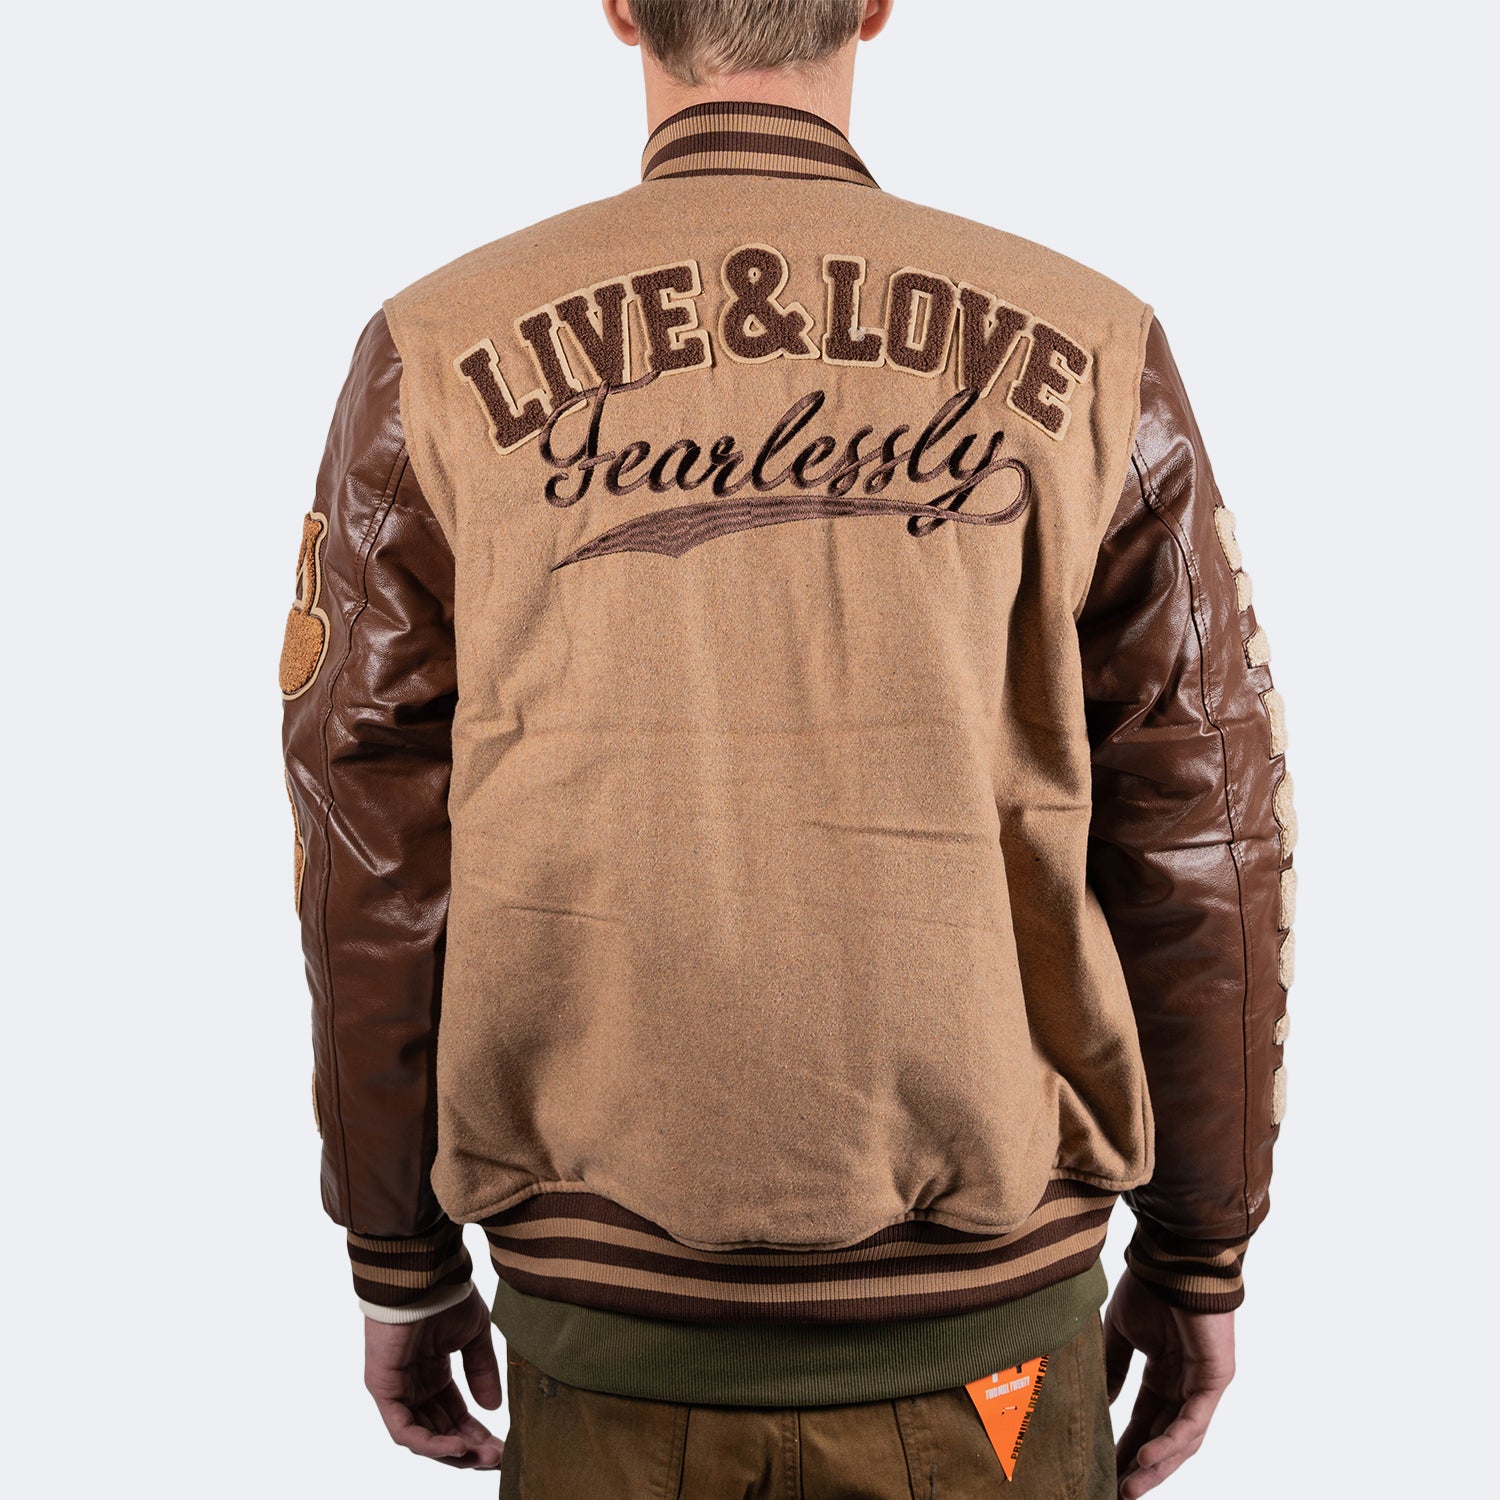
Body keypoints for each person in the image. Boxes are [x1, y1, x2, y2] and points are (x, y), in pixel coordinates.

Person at [277, 2, 1297, 1495]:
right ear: (873, 5)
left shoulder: (434, 351)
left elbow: (368, 839)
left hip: (606, 1346)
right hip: (993, 1358)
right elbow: (1202, 825)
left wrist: (397, 1252)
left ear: (621, 7)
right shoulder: (1091, 344)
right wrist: (1202, 1247)